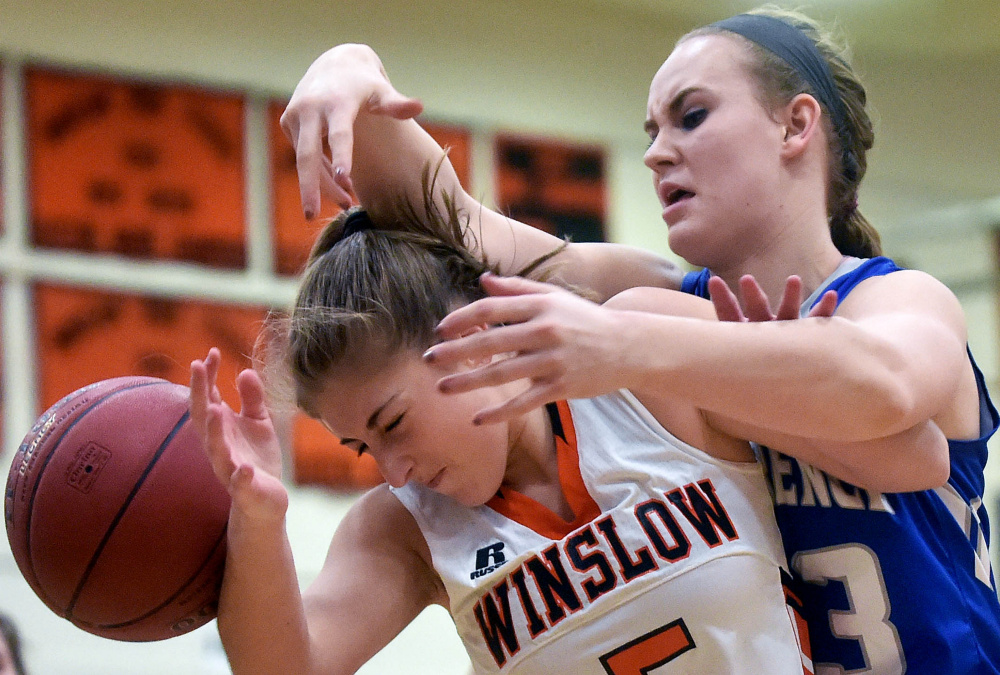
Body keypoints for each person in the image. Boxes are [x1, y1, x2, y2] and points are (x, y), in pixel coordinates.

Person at [278, 5, 1000, 673]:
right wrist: (349, 70)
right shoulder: (661, 300)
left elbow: (889, 394)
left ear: (795, 125)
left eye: (691, 116)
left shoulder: (897, 296)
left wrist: (631, 344)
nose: (655, 154)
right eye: (651, 132)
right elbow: (459, 226)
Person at [188, 182, 813, 673]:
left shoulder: (640, 361)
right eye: (362, 448)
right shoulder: (402, 529)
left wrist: (789, 358)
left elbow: (856, 428)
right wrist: (258, 518)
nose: (394, 471)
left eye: (394, 423)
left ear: (475, 334)